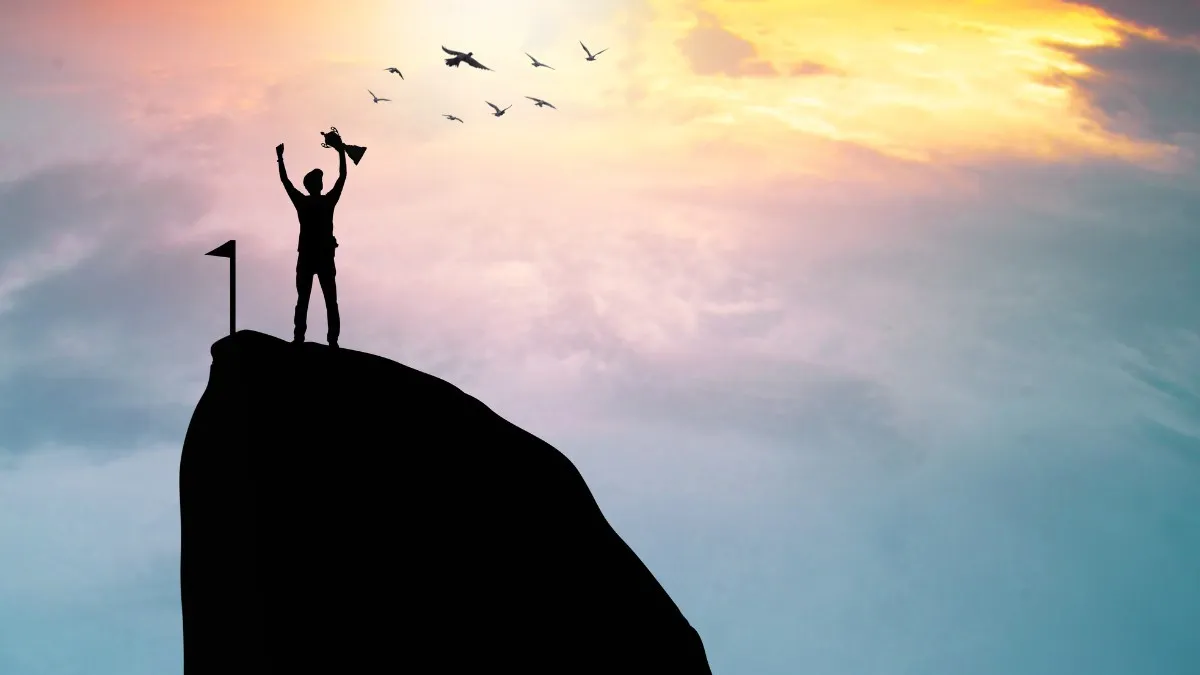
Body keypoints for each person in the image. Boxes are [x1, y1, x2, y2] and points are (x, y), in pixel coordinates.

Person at [276, 139, 346, 347]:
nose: (321, 184)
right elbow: (342, 177)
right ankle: (328, 340)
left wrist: (280, 159)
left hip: (311, 255)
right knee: (325, 301)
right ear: (315, 185)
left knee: (308, 300)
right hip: (318, 255)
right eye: (319, 181)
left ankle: (304, 338)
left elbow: (286, 182)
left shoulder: (305, 202)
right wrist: (340, 152)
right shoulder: (324, 201)